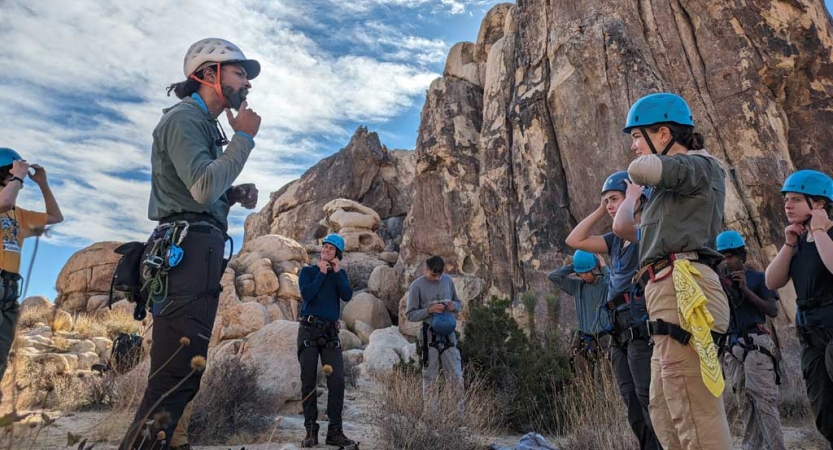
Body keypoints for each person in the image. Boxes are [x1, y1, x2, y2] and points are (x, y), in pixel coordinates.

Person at [120, 37, 261, 450]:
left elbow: (200, 194)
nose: (247, 83)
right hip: (185, 254)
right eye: (239, 73)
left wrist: (231, 195)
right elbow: (201, 188)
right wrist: (245, 140)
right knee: (173, 377)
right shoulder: (184, 119)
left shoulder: (205, 125)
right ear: (208, 74)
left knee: (183, 375)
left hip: (198, 252)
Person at [625, 92, 732, 449]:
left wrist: (637, 174)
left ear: (664, 133)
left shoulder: (699, 165)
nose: (634, 146)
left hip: (685, 288)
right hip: (665, 292)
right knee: (666, 409)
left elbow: (642, 169)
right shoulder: (669, 191)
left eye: (638, 136)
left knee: (691, 406)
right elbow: (628, 230)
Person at [566, 171, 660, 450]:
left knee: (647, 397)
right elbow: (575, 240)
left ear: (637, 199)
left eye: (614, 199)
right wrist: (600, 208)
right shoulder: (615, 241)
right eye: (606, 200)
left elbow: (623, 226)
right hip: (618, 330)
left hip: (641, 327)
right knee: (630, 400)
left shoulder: (647, 232)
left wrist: (632, 198)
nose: (609, 205)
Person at [765, 169, 833, 445]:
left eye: (795, 199)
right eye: (786, 200)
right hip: (812, 336)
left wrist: (819, 229)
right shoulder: (799, 241)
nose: (787, 205)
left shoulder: (825, 234)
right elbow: (772, 281)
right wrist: (789, 244)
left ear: (818, 203)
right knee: (826, 415)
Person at [715, 230, 785, 450]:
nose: (727, 261)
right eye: (723, 257)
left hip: (756, 344)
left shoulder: (758, 278)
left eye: (731, 256)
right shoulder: (719, 285)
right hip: (732, 347)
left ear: (741, 256)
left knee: (764, 401)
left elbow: (772, 310)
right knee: (743, 402)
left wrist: (745, 289)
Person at [0, 148, 63, 383]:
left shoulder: (20, 215)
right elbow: (5, 201)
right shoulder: (5, 203)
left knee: (1, 357)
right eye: (12, 173)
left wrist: (43, 184)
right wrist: (18, 176)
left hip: (8, 291)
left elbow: (56, 217)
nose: (21, 180)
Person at [297, 233, 355, 448]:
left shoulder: (340, 275)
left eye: (331, 248)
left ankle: (335, 432)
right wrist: (321, 274)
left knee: (337, 381)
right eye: (325, 247)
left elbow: (347, 295)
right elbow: (307, 294)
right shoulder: (309, 271)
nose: (326, 250)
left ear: (337, 254)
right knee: (308, 380)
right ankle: (310, 431)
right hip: (309, 330)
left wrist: (337, 273)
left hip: (330, 333)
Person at [405, 256, 464, 399]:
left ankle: (458, 418)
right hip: (429, 335)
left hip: (449, 334)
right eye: (433, 275)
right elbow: (410, 315)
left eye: (440, 275)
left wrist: (454, 306)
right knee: (430, 378)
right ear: (426, 269)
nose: (437, 278)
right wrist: (429, 310)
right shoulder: (417, 286)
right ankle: (431, 418)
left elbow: (459, 303)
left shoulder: (447, 280)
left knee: (456, 376)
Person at [548, 250, 612, 371]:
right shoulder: (577, 287)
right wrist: (575, 266)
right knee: (581, 377)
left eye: (587, 272)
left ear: (594, 268)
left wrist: (603, 266)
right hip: (584, 339)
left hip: (604, 339)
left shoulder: (604, 284)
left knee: (606, 378)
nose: (584, 276)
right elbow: (553, 276)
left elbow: (614, 284)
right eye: (580, 273)